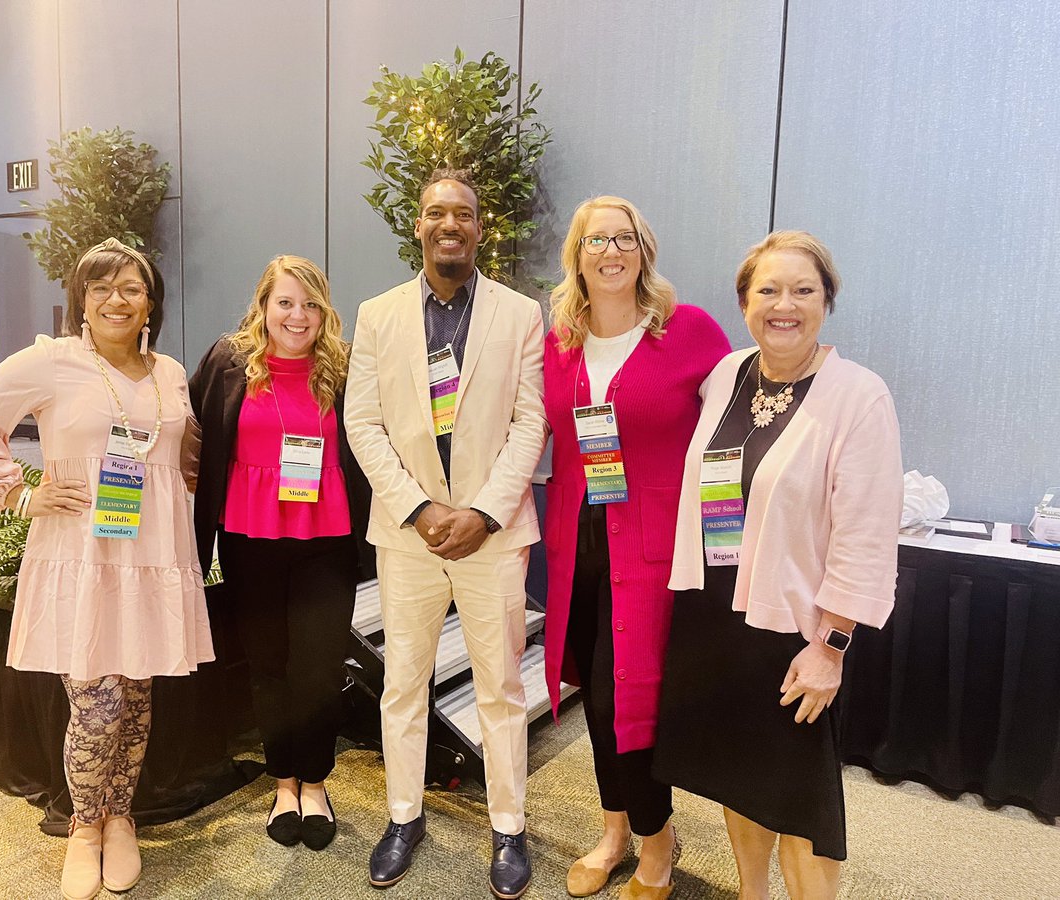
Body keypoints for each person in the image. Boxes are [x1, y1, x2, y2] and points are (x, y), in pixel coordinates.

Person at [0, 237, 214, 900]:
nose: (118, 299)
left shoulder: (170, 371)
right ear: (81, 300)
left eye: (132, 287)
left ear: (152, 302)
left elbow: (188, 453)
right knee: (99, 700)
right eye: (102, 287)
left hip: (151, 554)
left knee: (137, 695)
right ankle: (85, 827)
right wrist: (17, 492)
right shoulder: (52, 361)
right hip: (81, 554)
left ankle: (122, 817)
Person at [651, 231, 903, 899]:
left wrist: (831, 645)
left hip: (795, 630)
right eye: (768, 290)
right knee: (741, 777)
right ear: (743, 302)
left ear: (827, 301)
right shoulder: (727, 375)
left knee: (800, 803)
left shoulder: (858, 395)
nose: (783, 305)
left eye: (803, 290)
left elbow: (866, 535)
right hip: (717, 616)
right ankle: (751, 893)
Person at [344, 167, 547, 899]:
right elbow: (362, 422)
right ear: (420, 227)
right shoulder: (378, 314)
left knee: (499, 685)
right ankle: (404, 817)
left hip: (492, 536)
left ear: (479, 229)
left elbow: (531, 421)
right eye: (437, 213)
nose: (449, 224)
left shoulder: (522, 314)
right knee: (403, 683)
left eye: (463, 213)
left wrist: (483, 512)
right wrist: (421, 509)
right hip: (409, 536)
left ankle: (508, 826)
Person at [542, 197, 730, 900]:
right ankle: (615, 831)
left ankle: (657, 845)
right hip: (579, 543)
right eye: (597, 240)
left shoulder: (689, 331)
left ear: (643, 250)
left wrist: (727, 541)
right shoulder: (559, 339)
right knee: (597, 699)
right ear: (578, 253)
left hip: (652, 548)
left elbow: (728, 438)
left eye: (625, 239)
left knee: (633, 702)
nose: (611, 251)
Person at [188, 255, 373, 852]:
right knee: (267, 665)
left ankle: (315, 782)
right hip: (250, 535)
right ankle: (283, 782)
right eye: (286, 303)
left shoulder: (343, 369)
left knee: (316, 667)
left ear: (325, 312)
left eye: (310, 305)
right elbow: (189, 432)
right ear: (263, 306)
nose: (298, 317)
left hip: (327, 538)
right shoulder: (228, 361)